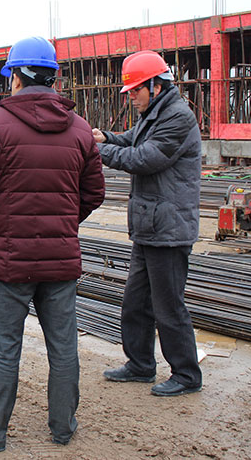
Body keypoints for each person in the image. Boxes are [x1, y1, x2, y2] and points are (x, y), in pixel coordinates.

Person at [0, 36, 105, 452]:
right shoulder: (78, 128)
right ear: (53, 76)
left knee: (5, 347)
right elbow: (93, 193)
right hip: (60, 262)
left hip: (10, 261)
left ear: (17, 76)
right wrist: (63, 225)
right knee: (64, 347)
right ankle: (63, 427)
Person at [93, 50, 203, 397]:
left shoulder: (177, 117)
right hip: (149, 226)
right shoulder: (154, 112)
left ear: (155, 85)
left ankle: (186, 374)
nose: (132, 98)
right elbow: (131, 139)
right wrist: (106, 138)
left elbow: (144, 158)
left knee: (168, 306)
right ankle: (140, 364)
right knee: (136, 302)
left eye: (136, 91)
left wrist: (98, 152)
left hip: (169, 230)